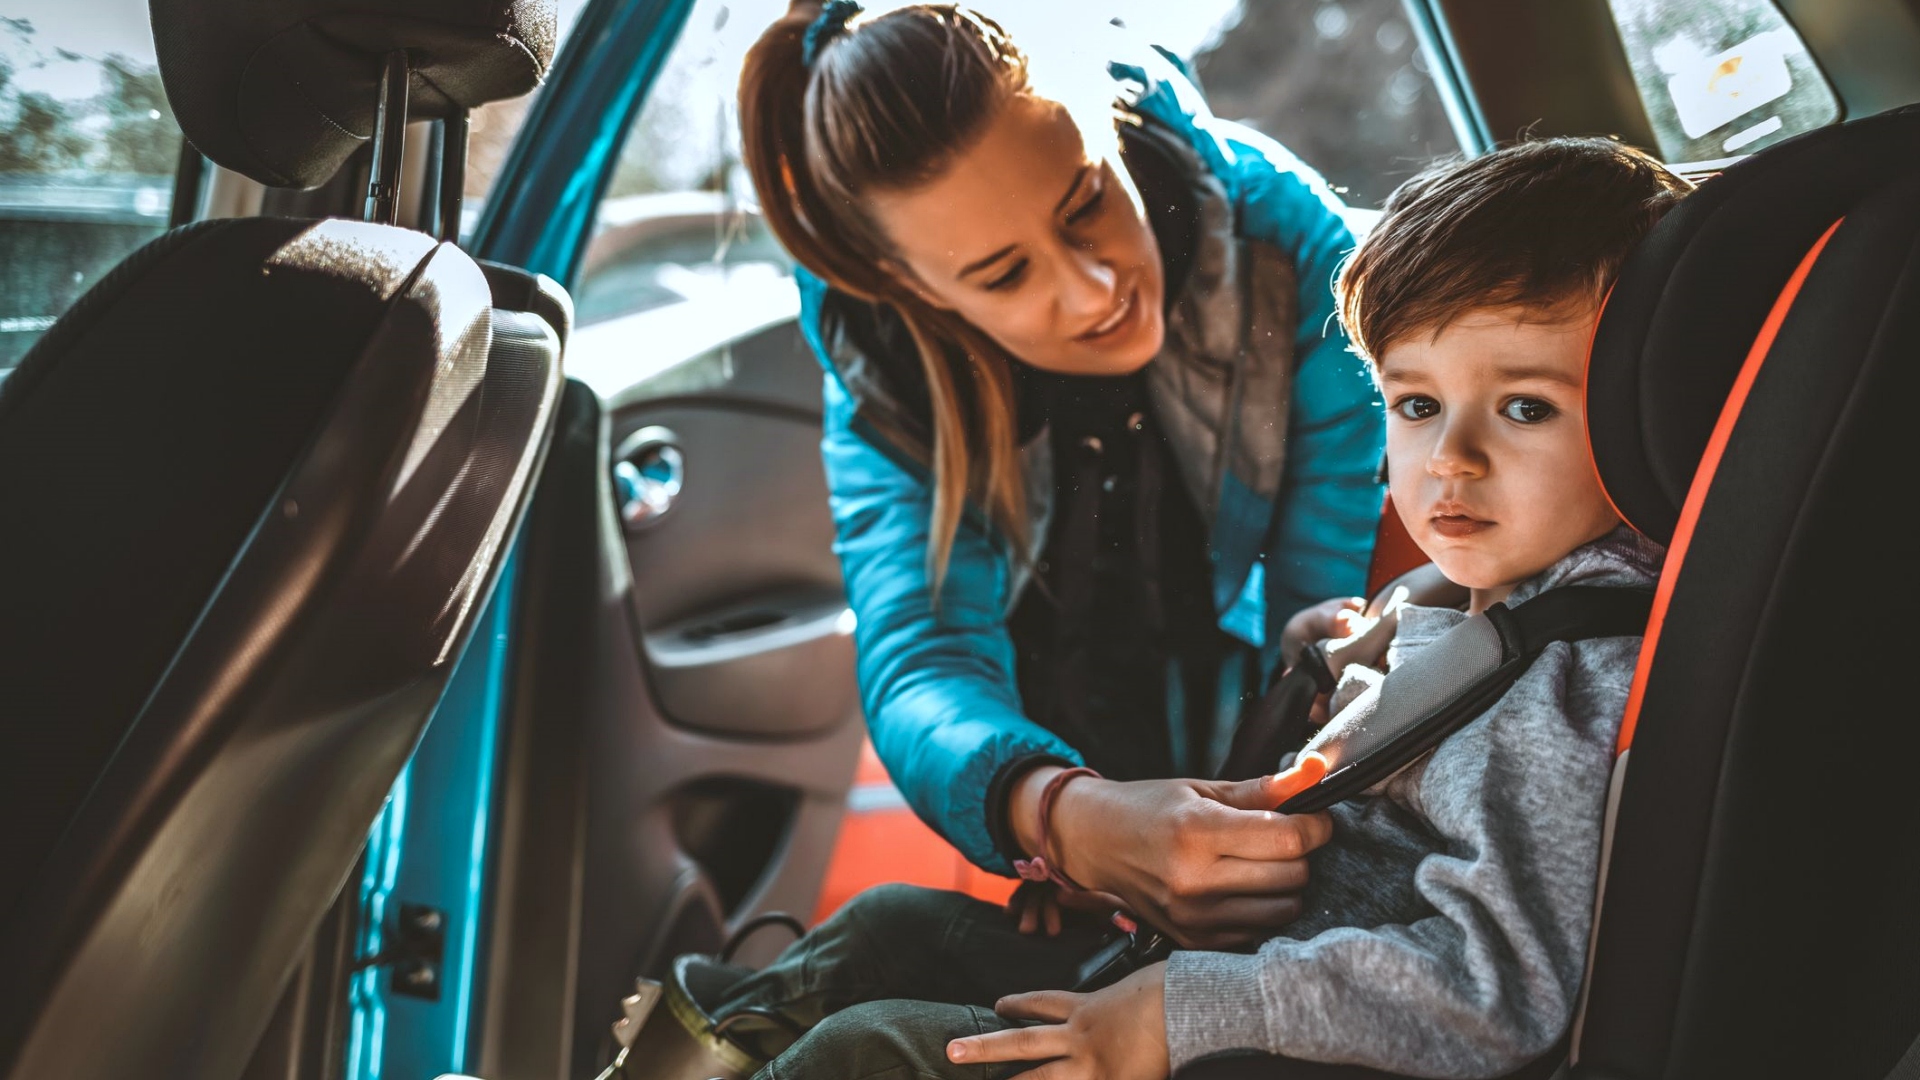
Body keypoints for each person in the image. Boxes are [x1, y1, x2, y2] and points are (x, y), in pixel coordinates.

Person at [633, 136, 1691, 1079]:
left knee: (879, 1051)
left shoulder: (1567, 677)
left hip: (1280, 1034)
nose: (1450, 458)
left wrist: (1174, 1011)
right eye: (1416, 404)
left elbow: (1494, 993)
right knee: (888, 928)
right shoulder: (1465, 603)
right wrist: (1157, 857)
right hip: (1249, 977)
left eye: (1524, 407)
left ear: (1646, 402)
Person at [741, 0, 1386, 954]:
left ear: (1106, 119)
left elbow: (1323, 600)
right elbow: (924, 657)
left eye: (1086, 199)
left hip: (1224, 670)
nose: (1095, 289)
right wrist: (1063, 820)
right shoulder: (889, 374)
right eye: (1004, 276)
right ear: (915, 289)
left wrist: (1257, 810)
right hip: (1050, 708)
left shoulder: (1295, 254)